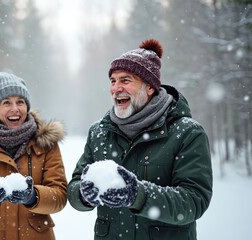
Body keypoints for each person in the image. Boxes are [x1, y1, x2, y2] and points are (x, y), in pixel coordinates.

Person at [67, 39, 213, 239]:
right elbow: (75, 186)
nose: (116, 88)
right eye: (113, 81)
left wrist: (139, 195)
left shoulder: (187, 133)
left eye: (125, 80)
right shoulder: (99, 132)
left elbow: (194, 201)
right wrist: (83, 195)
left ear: (150, 87)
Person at [0, 72, 68, 240]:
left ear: (27, 107)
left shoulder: (46, 143)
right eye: (6, 102)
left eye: (20, 102)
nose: (15, 109)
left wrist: (33, 196)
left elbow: (59, 196)